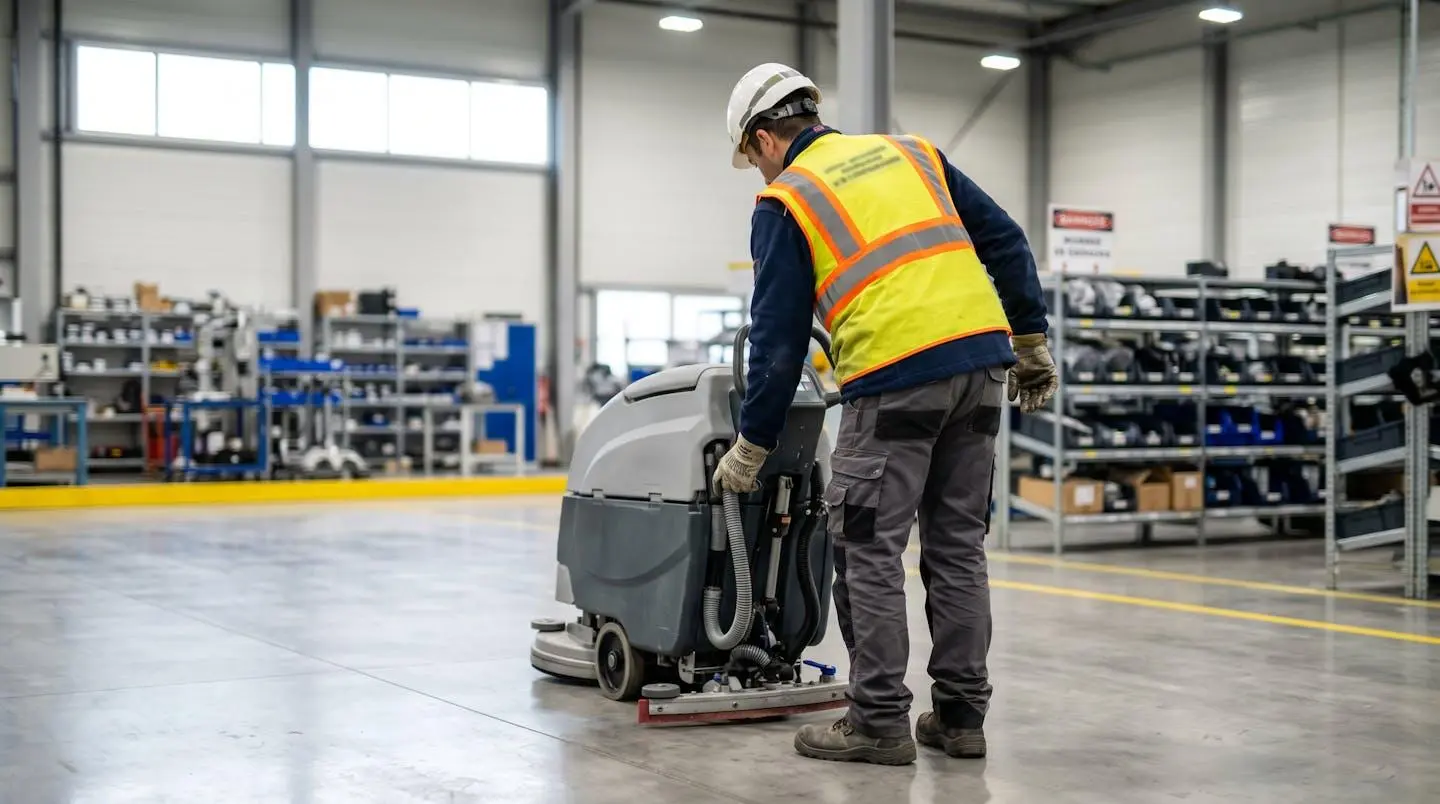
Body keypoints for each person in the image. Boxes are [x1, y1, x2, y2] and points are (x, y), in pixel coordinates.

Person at [711, 63, 1057, 766]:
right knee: (958, 547)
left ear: (764, 138)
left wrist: (752, 444)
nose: (758, 174)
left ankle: (876, 721)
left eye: (751, 159)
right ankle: (960, 719)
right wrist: (1030, 340)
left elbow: (777, 340)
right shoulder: (915, 154)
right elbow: (1008, 239)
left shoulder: (787, 200)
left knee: (867, 551)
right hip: (983, 371)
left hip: (895, 379)